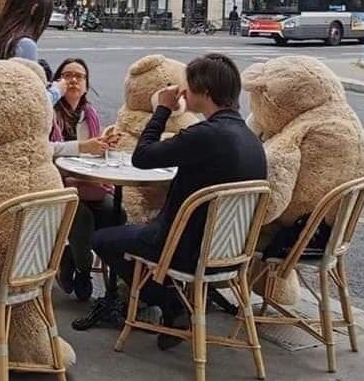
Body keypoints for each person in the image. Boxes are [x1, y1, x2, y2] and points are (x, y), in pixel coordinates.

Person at [78, 54, 267, 346]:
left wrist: (163, 109)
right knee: (136, 231)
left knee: (103, 238)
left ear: (203, 91)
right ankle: (175, 305)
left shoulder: (204, 135)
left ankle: (171, 302)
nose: (184, 92)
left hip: (184, 248)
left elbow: (143, 157)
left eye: (188, 87)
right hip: (232, 252)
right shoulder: (251, 139)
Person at [49, 59, 121, 302]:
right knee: (81, 215)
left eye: (79, 76)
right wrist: (82, 147)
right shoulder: (48, 111)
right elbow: (42, 148)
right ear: (57, 81)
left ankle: (115, 284)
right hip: (56, 184)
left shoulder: (89, 114)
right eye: (67, 75)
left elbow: (93, 153)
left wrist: (104, 145)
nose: (73, 80)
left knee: (116, 212)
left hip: (89, 183)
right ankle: (83, 269)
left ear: (87, 85)